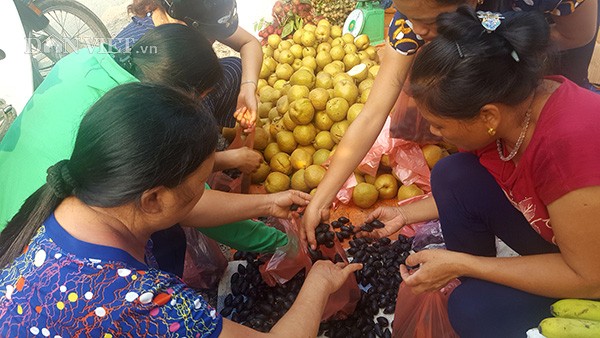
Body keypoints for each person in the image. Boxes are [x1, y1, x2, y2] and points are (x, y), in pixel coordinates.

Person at [0, 83, 362, 337]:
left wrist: (268, 202)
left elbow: (188, 208)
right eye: (199, 183)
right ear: (154, 198)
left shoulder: (66, 203)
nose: (203, 191)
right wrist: (318, 284)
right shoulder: (142, 302)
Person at [359, 7, 600, 337]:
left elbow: (589, 278)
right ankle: (480, 283)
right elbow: (472, 185)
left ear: (487, 117)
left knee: (470, 309)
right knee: (452, 175)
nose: (434, 132)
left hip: (591, 276)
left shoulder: (566, 146)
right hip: (568, 240)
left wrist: (462, 263)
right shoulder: (510, 111)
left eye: (440, 125)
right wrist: (406, 215)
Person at [0, 24, 307, 277]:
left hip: (12, 204)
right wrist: (277, 238)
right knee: (160, 231)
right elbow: (190, 205)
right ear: (176, 97)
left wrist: (224, 159)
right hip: (33, 244)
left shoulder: (92, 59)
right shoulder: (138, 124)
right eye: (199, 100)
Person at [301, 0, 598, 247]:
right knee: (489, 157)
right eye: (408, 16)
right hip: (494, 58)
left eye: (426, 20)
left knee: (551, 155)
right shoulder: (413, 22)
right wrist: (321, 199)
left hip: (541, 50)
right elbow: (372, 114)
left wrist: (503, 46)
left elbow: (576, 35)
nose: (415, 29)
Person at [113, 0, 262, 131]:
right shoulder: (146, 58)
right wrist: (226, 159)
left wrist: (248, 87)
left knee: (234, 69)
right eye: (208, 35)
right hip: (146, 132)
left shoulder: (194, 16)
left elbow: (248, 43)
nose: (211, 41)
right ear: (180, 21)